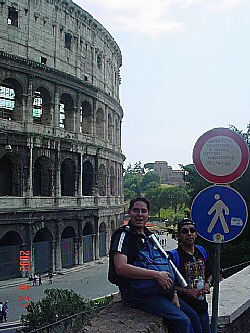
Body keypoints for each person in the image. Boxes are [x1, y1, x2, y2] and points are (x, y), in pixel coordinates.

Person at [108, 197, 195, 333]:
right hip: (137, 293)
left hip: (157, 290)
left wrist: (173, 292)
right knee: (183, 321)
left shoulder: (149, 235)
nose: (140, 214)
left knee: (193, 316)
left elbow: (164, 263)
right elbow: (120, 267)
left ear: (148, 214)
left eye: (143, 211)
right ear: (129, 212)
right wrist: (156, 275)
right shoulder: (124, 235)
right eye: (136, 210)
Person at [169, 218, 213, 333]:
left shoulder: (202, 251)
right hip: (187, 308)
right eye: (184, 231)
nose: (189, 234)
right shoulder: (174, 257)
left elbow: (210, 273)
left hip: (202, 306)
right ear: (178, 235)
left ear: (196, 234)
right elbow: (169, 286)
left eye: (192, 230)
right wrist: (187, 292)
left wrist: (208, 284)